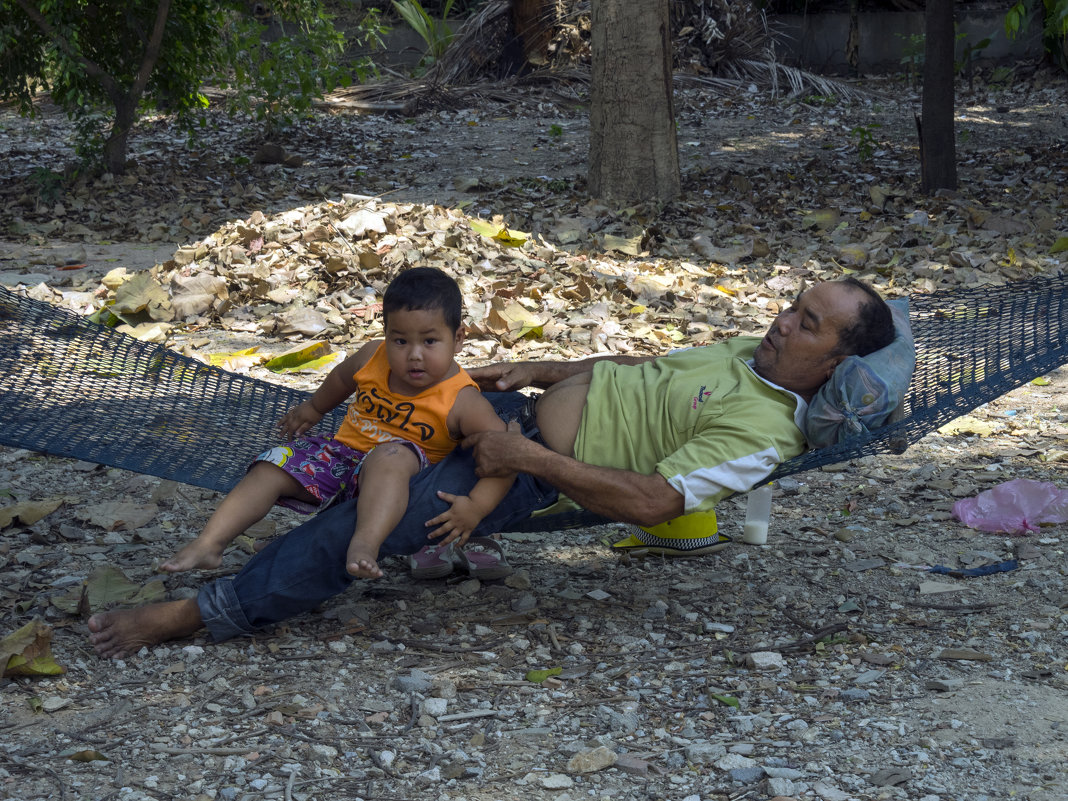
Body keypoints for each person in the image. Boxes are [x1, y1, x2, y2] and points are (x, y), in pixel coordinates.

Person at [89, 277, 894, 658]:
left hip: (526, 468)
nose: (782, 319)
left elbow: (654, 502)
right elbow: (644, 367)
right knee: (363, 425)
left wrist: (524, 454)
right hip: (505, 418)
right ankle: (236, 531)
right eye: (792, 303)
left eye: (807, 322)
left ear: (835, 363)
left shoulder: (765, 431)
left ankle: (203, 611)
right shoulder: (748, 354)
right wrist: (548, 368)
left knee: (367, 520)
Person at [159, 267, 514, 579]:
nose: (414, 354)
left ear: (459, 338)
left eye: (430, 341)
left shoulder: (463, 400)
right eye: (400, 340)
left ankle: (364, 544)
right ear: (386, 334)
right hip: (340, 458)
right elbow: (343, 378)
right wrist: (314, 407)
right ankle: (209, 542)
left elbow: (506, 457)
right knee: (273, 464)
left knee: (392, 455)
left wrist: (477, 508)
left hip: (405, 488)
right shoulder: (373, 357)